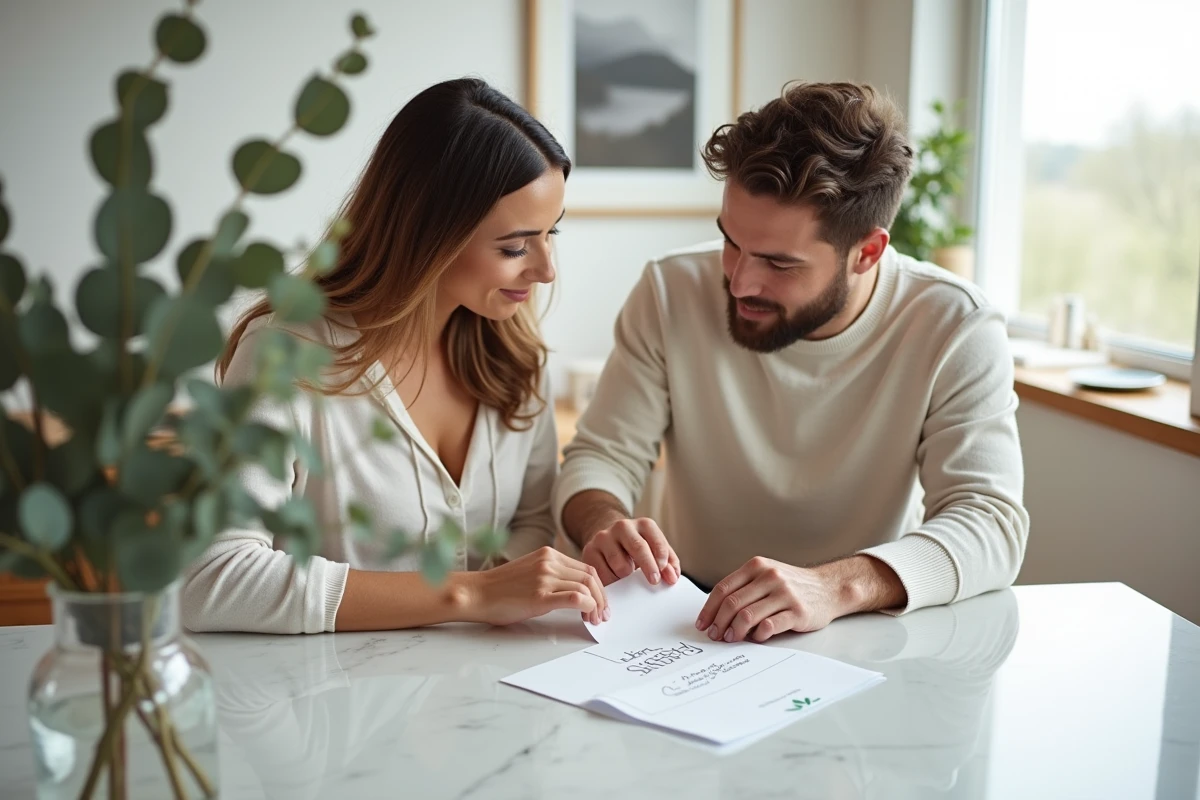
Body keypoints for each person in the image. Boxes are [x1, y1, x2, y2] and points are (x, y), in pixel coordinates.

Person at [554, 82, 1028, 644]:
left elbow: (990, 522)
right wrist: (604, 523)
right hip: (691, 616)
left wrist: (835, 586)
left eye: (779, 264)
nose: (739, 282)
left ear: (867, 252)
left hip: (864, 617)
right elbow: (600, 457)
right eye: (731, 242)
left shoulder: (955, 324)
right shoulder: (670, 290)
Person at [183, 78, 608, 634]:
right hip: (328, 686)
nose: (546, 269)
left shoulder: (518, 357)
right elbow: (212, 579)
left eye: (552, 233)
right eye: (514, 247)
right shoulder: (284, 354)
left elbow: (533, 521)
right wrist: (470, 595)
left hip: (494, 682)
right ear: (430, 232)